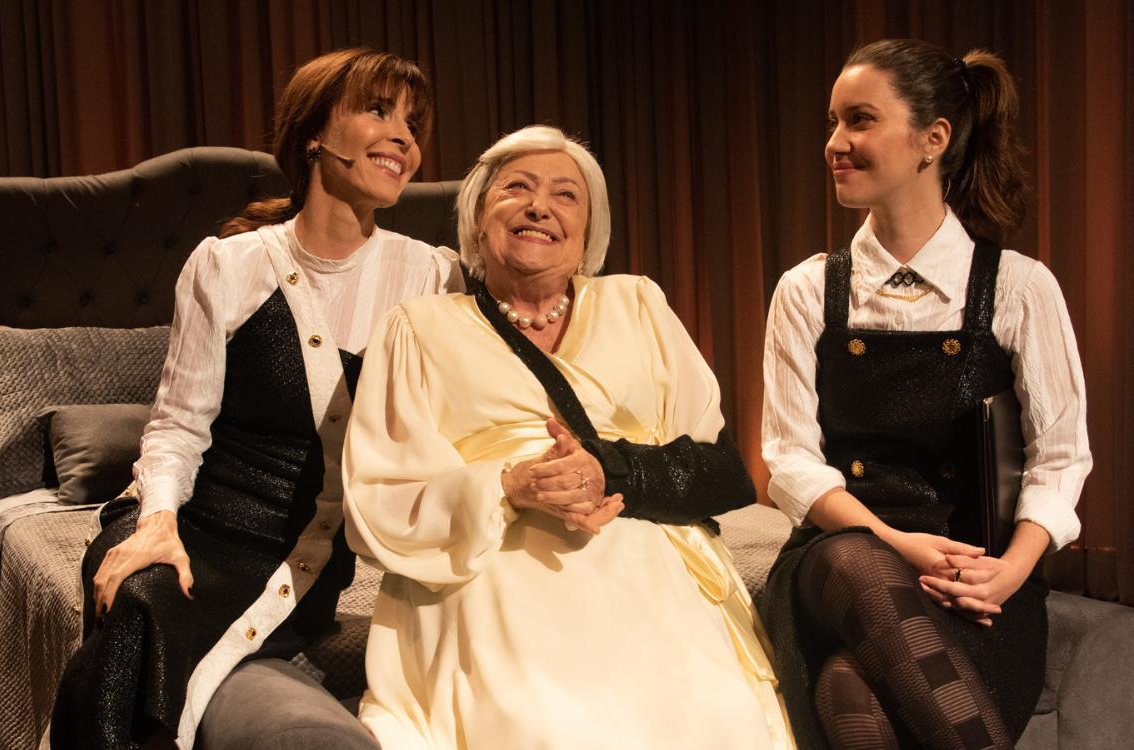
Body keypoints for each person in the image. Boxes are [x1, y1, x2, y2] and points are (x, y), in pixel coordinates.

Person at [52, 49, 463, 750]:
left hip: (300, 557)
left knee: (147, 617)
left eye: (413, 125)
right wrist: (156, 523)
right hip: (184, 522)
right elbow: (178, 426)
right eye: (378, 111)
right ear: (314, 134)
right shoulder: (227, 265)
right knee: (141, 594)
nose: (404, 137)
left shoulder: (431, 277)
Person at [341, 124, 795, 749]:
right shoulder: (416, 328)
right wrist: (508, 486)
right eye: (516, 188)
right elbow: (382, 496)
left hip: (646, 554)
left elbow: (721, 472)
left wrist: (609, 472)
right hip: (488, 566)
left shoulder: (639, 304)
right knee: (543, 723)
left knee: (713, 715)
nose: (539, 207)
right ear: (477, 218)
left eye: (565, 195)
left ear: (588, 231)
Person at [758, 39, 1091, 750]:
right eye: (833, 122)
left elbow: (1061, 459)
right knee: (857, 561)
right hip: (839, 559)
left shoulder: (1020, 288)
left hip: (975, 578)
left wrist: (1009, 572)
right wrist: (897, 544)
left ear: (932, 139)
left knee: (849, 691)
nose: (835, 143)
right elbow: (789, 460)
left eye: (860, 120)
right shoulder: (807, 290)